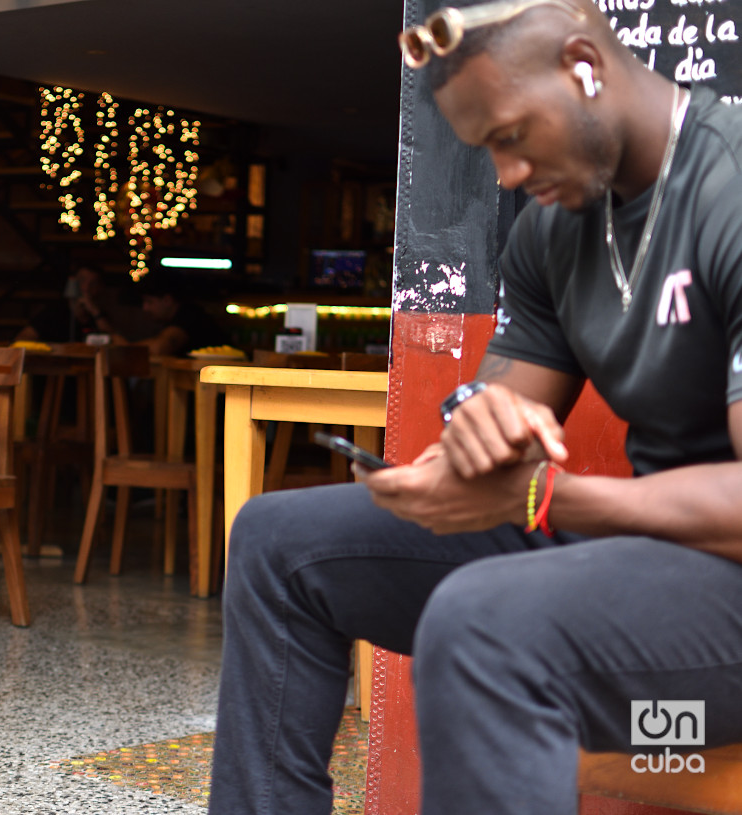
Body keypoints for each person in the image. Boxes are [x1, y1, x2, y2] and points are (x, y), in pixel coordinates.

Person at [208, 1, 742, 813]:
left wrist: (543, 492)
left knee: (483, 626)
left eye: (509, 136)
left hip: (716, 624)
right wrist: (472, 439)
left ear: (582, 66)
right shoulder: (553, 230)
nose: (505, 176)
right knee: (279, 543)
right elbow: (499, 406)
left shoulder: (729, 187)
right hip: (642, 552)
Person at [102, 269, 229, 357]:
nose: (145, 307)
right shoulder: (177, 318)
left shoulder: (189, 316)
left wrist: (125, 347)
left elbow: (160, 348)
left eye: (149, 301)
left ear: (167, 300)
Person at [16, 265, 108, 343]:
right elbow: (22, 339)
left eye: (93, 284)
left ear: (100, 288)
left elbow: (116, 342)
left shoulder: (100, 317)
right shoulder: (54, 312)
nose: (86, 288)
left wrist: (95, 311)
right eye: (82, 280)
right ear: (72, 283)